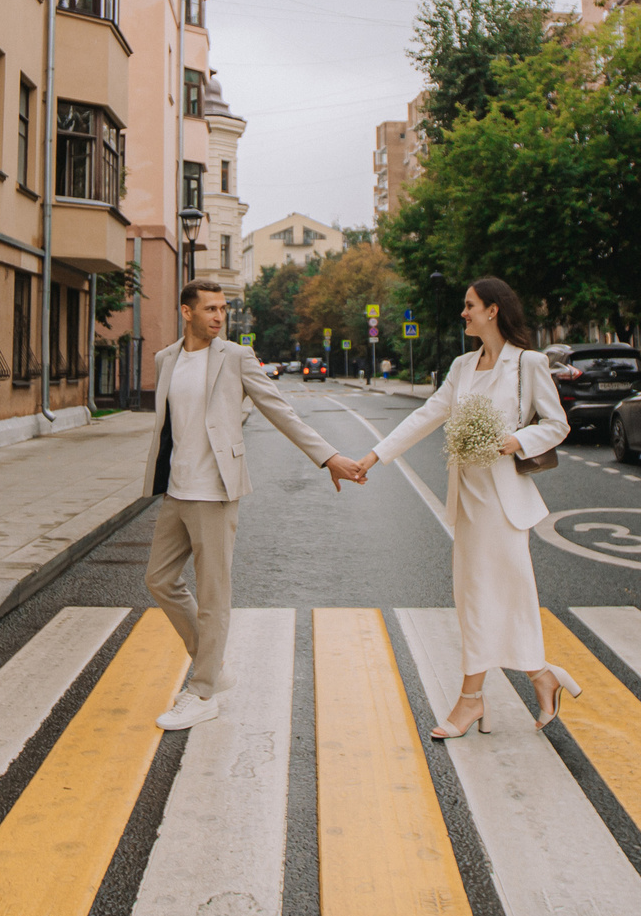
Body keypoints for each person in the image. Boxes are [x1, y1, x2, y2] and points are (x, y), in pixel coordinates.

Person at [346, 277, 582, 737]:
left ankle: (471, 700)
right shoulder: (461, 366)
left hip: (503, 500)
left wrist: (516, 440)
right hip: (469, 499)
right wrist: (374, 456)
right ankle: (540, 676)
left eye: (469, 305)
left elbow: (557, 424)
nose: (463, 312)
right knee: (481, 596)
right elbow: (425, 415)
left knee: (494, 595)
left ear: (493, 310)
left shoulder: (527, 364)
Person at [144, 279, 365, 732]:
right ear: (186, 313)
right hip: (177, 489)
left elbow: (280, 410)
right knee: (159, 580)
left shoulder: (236, 358)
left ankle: (202, 691)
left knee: (213, 595)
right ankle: (215, 665)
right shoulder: (166, 359)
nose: (218, 317)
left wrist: (328, 457)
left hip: (215, 490)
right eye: (209, 309)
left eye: (222, 309)